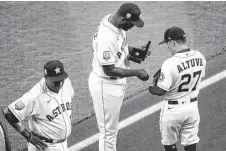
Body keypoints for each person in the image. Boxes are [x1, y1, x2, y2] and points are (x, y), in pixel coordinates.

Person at [88, 2, 149, 151]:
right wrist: (137, 72)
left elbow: (120, 46)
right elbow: (109, 69)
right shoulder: (106, 37)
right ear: (124, 19)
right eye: (132, 24)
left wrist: (135, 52)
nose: (133, 26)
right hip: (106, 86)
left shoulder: (114, 22)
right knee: (108, 134)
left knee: (111, 131)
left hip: (115, 84)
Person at [149, 26, 206, 151]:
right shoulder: (200, 57)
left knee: (170, 146)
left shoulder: (170, 63)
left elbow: (160, 91)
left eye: (167, 45)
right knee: (191, 145)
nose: (168, 48)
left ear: (172, 42)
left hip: (173, 111)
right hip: (192, 109)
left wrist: (150, 87)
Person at [3, 60, 75, 151]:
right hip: (45, 146)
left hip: (63, 144)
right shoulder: (35, 96)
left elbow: (69, 101)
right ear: (46, 77)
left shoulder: (67, 83)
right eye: (56, 81)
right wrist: (29, 136)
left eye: (61, 79)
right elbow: (8, 113)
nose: (60, 84)